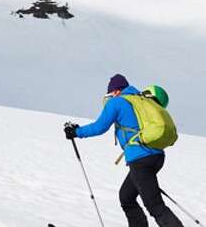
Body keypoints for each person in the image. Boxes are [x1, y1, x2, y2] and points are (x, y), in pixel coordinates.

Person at [64, 74, 184, 227]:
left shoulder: (117, 102)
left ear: (115, 91)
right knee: (126, 197)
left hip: (140, 158)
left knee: (154, 206)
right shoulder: (139, 101)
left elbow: (99, 127)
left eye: (109, 93)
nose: (109, 96)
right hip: (155, 156)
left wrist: (76, 132)